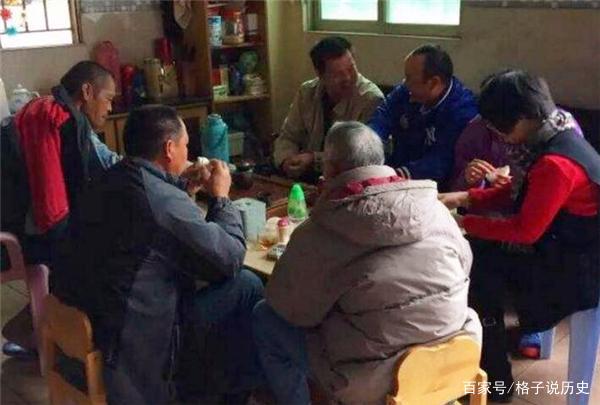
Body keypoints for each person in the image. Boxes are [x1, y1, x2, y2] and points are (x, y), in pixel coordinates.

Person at [254, 121, 481, 405]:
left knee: (266, 317)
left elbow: (291, 310)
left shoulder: (321, 229)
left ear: (330, 170)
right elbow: (465, 264)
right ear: (381, 160)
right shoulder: (434, 208)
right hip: (456, 354)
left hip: (375, 380)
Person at [56, 105, 264, 404]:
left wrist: (182, 188)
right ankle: (216, 394)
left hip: (85, 323)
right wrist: (221, 198)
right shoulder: (160, 200)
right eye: (185, 145)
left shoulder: (110, 178)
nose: (187, 152)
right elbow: (229, 258)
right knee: (246, 284)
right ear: (169, 148)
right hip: (131, 346)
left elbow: (149, 234)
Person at [440, 70, 600, 402]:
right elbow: (521, 192)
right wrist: (465, 198)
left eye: (499, 128)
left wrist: (463, 221)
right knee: (482, 250)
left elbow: (524, 230)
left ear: (521, 119)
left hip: (578, 270)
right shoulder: (558, 129)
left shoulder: (555, 164)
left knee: (477, 272)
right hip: (567, 245)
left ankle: (496, 379)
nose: (498, 136)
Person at [1, 61, 120, 357]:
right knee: (105, 248)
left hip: (15, 220)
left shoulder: (45, 109)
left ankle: (36, 325)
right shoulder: (59, 119)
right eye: (108, 99)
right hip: (26, 231)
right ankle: (59, 336)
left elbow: (102, 164)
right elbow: (107, 167)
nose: (110, 108)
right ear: (87, 91)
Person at [273, 36, 383, 181]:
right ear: (320, 75)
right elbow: (288, 136)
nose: (347, 78)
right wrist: (286, 160)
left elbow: (359, 157)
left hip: (347, 181)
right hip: (305, 176)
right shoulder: (306, 92)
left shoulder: (370, 99)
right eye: (338, 74)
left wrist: (314, 159)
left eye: (351, 69)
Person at [369, 44, 477, 185]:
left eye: (409, 78)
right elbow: (382, 116)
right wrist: (368, 145)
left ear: (433, 83)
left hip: (431, 188)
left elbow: (440, 163)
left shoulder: (462, 111)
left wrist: (391, 178)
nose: (404, 83)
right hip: (395, 173)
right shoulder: (406, 91)